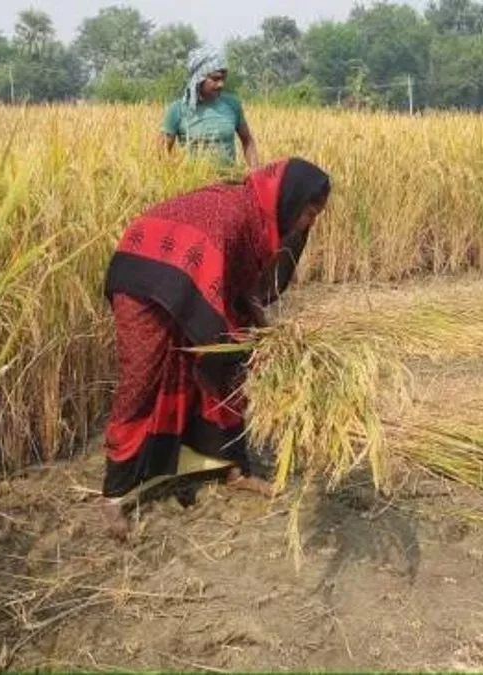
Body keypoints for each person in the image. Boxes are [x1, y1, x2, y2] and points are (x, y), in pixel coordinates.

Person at [99, 157, 331, 539]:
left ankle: (230, 468)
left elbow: (240, 288)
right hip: (145, 277)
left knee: (229, 365)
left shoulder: (258, 218)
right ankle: (113, 496)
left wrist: (267, 334)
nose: (310, 223)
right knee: (142, 379)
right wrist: (244, 341)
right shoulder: (234, 216)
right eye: (308, 212)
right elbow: (216, 294)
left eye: (316, 214)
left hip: (186, 276)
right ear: (288, 201)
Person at [162, 45, 260, 168]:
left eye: (224, 79)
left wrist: (256, 173)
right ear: (199, 78)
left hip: (229, 182)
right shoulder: (177, 110)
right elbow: (162, 153)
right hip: (194, 184)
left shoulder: (232, 104)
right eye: (215, 79)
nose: (221, 84)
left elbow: (247, 141)